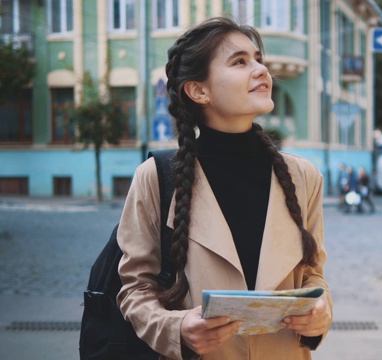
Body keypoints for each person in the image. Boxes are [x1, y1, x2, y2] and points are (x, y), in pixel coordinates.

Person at [116, 17, 332, 360]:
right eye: (240, 62)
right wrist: (177, 328)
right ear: (199, 90)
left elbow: (313, 275)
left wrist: (320, 313)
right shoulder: (157, 177)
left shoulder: (303, 176)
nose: (261, 70)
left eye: (258, 59)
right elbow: (135, 289)